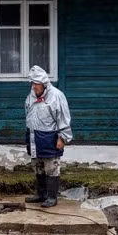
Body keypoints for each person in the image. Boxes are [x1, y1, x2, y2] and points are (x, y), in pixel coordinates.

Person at [24, 65, 72, 208]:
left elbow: (63, 117)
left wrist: (63, 137)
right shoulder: (31, 96)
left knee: (51, 167)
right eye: (32, 83)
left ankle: (52, 197)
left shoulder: (56, 96)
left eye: (36, 84)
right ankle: (40, 194)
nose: (33, 87)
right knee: (38, 166)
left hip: (49, 137)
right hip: (33, 137)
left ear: (44, 84)